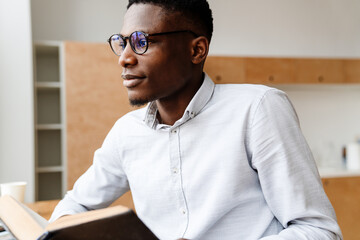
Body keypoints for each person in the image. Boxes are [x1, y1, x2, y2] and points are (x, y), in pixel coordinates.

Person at [50, 0, 343, 239]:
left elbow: (319, 231)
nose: (124, 58)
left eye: (141, 41)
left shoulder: (257, 109)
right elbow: (75, 205)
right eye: (121, 42)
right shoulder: (126, 132)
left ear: (196, 50)